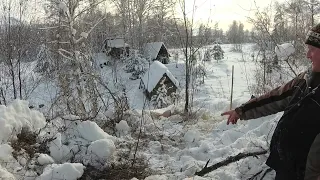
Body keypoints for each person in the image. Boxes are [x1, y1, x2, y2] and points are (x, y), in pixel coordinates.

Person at [221, 23, 320, 180]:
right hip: (286, 166)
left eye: (312, 49)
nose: (308, 55)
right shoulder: (305, 79)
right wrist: (241, 111)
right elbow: (275, 97)